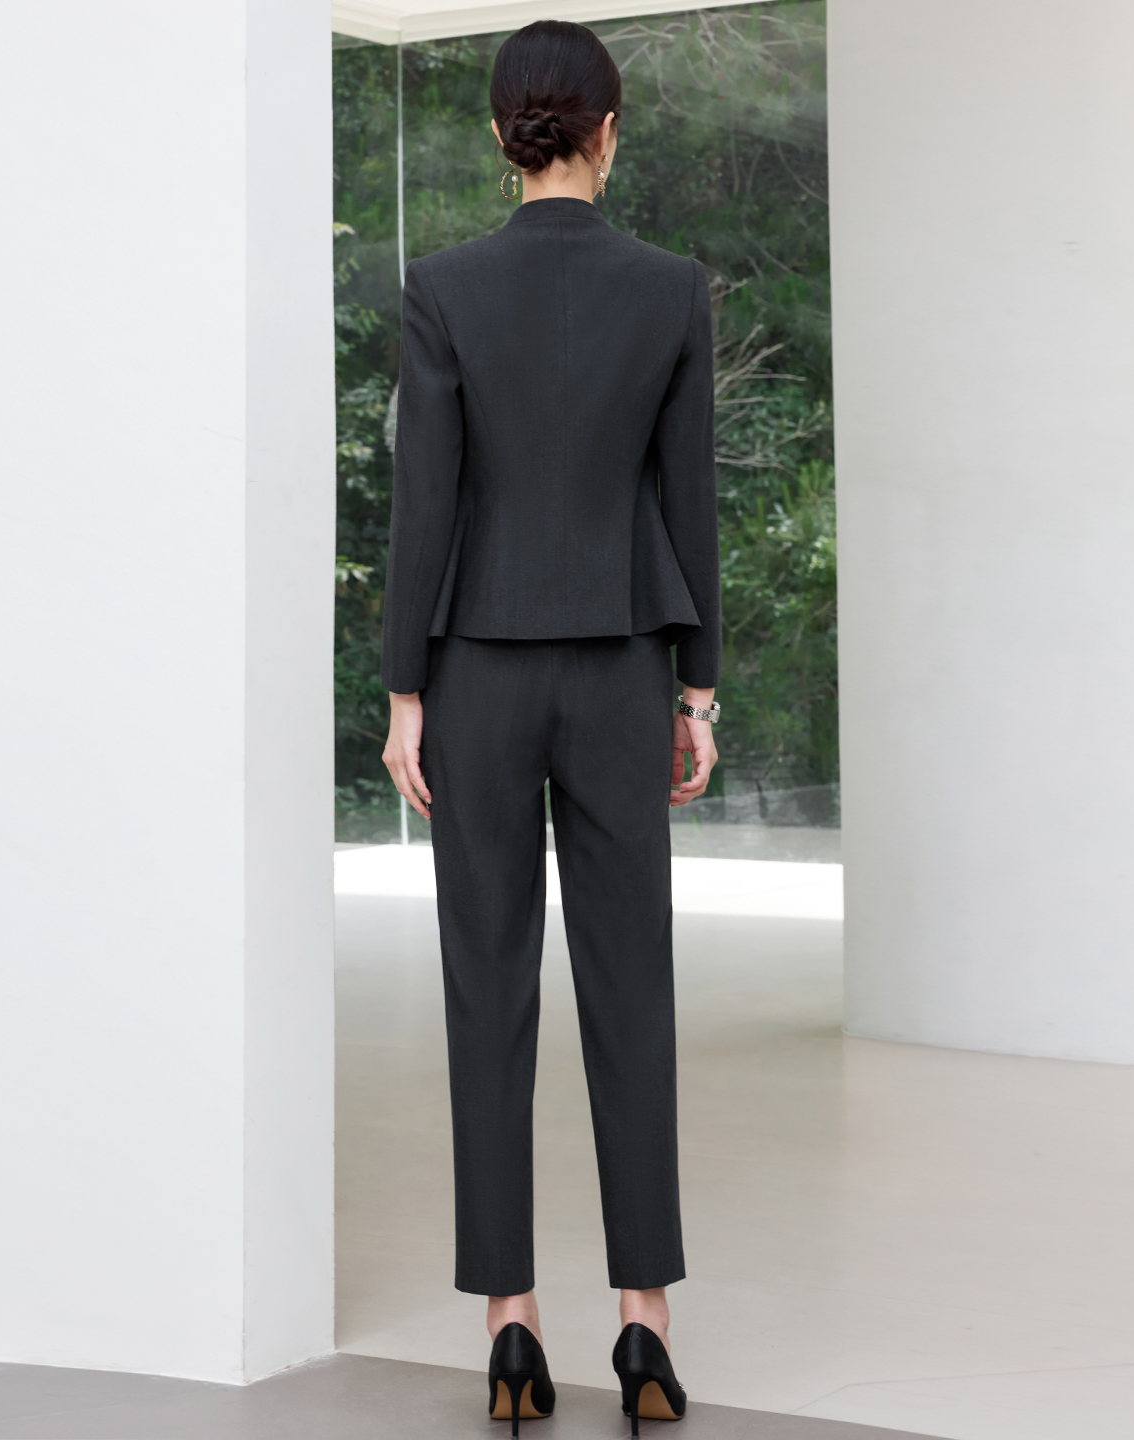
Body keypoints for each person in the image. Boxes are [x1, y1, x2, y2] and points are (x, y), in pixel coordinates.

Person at [380, 19, 720, 1435]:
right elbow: (686, 498)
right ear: (609, 130)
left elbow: (428, 504)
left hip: (477, 674)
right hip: (624, 665)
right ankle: (644, 1328)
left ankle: (511, 1326)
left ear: (501, 135)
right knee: (633, 990)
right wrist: (695, 687)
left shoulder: (445, 288)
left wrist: (405, 692)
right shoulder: (671, 289)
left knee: (489, 990)